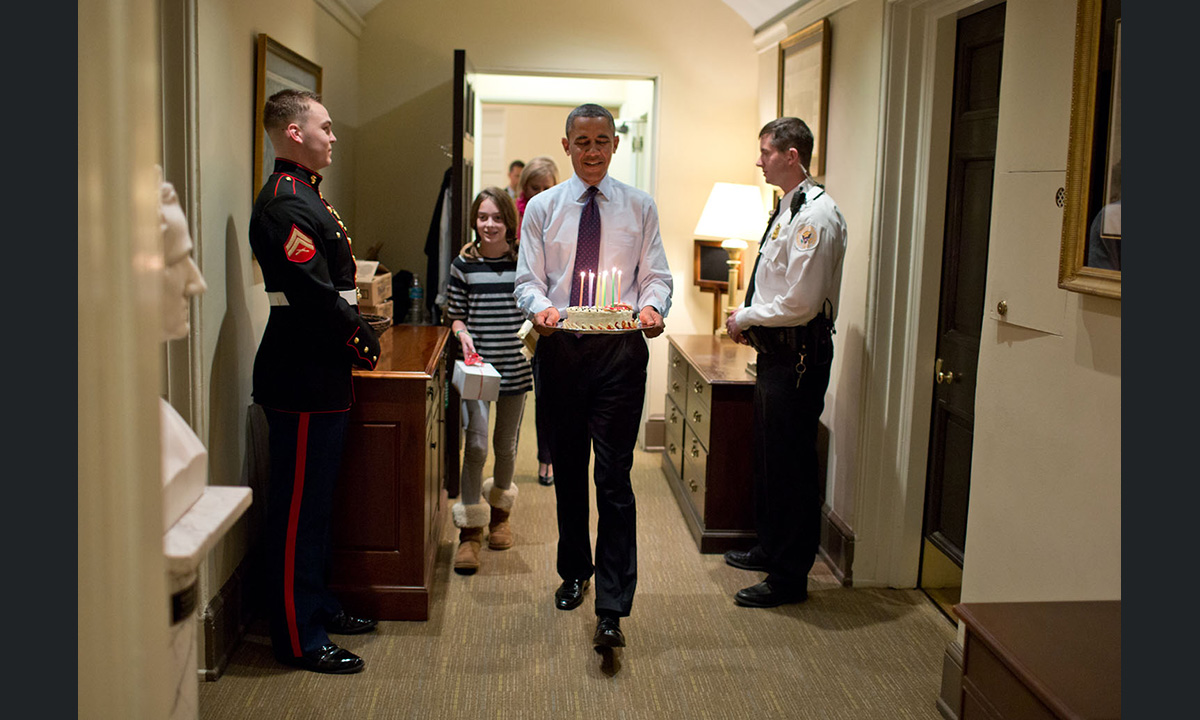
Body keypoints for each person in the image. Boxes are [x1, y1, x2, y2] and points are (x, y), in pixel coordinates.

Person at [514, 103, 672, 651]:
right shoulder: (541, 208)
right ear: (566, 146)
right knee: (570, 471)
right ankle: (573, 571)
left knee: (615, 478)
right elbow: (528, 281)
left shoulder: (640, 207)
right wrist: (540, 308)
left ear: (614, 144)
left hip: (619, 357)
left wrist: (653, 308)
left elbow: (655, 276)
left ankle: (612, 604)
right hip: (561, 352)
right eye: (582, 142)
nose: (593, 151)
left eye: (603, 140)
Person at [250, 89, 381, 674]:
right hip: (301, 373)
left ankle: (319, 605)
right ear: (294, 133)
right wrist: (360, 338)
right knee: (297, 510)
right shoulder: (284, 204)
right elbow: (314, 296)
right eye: (325, 127)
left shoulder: (306, 196)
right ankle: (299, 636)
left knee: (318, 507)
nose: (334, 136)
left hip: (320, 372)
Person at [723, 117, 847, 608]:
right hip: (778, 354)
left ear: (791, 156)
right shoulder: (789, 208)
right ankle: (770, 549)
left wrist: (746, 314)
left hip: (798, 354)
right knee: (769, 460)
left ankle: (789, 577)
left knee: (791, 465)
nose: (759, 160)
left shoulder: (816, 217)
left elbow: (802, 302)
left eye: (766, 151)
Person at [445, 187, 533, 574]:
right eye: (483, 217)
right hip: (479, 369)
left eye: (497, 218)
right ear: (474, 221)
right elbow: (456, 314)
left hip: (516, 367)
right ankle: (470, 531)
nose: (489, 224)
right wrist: (462, 335)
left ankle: (500, 515)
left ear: (509, 224)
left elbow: (536, 306)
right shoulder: (463, 264)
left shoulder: (524, 263)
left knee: (506, 446)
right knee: (477, 445)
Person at [513, 155, 561, 486]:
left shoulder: (561, 215)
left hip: (547, 315)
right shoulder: (511, 215)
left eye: (547, 188)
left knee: (548, 392)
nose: (541, 193)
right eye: (534, 188)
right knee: (519, 391)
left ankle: (548, 457)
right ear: (524, 189)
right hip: (512, 309)